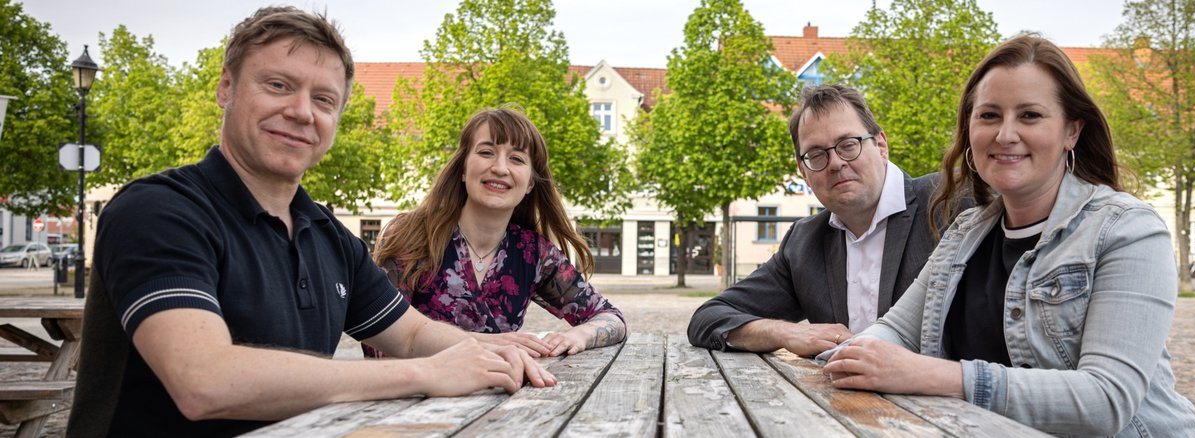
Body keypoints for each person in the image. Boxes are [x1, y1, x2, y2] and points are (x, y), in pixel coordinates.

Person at [67, 7, 554, 437]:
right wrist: (426, 374)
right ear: (226, 87)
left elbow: (409, 334)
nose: (301, 112)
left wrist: (493, 355)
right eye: (278, 85)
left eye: (324, 99)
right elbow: (205, 382)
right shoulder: (159, 210)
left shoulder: (328, 236)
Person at [819, 34, 1195, 436]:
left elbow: (1105, 401)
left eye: (1030, 115)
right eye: (988, 116)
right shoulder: (965, 233)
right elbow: (897, 330)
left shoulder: (1128, 230)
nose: (1005, 134)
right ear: (969, 131)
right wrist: (850, 356)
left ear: (1072, 131)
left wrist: (932, 374)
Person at [688, 84, 951, 356]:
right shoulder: (805, 243)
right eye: (816, 155)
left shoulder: (949, 202)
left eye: (849, 145)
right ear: (803, 171)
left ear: (881, 145)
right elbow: (708, 318)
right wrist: (788, 332)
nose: (835, 163)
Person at [364, 106, 626, 359]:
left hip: (498, 400)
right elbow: (380, 342)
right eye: (487, 152)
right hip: (412, 399)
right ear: (463, 169)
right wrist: (483, 346)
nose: (501, 168)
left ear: (530, 183)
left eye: (517, 159)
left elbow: (611, 317)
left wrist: (580, 336)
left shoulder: (532, 253)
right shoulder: (412, 235)